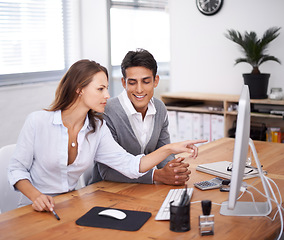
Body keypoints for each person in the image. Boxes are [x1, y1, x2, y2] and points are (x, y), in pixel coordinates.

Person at [7, 59, 206, 213]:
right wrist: (37, 196)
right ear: (79, 89)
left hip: (69, 207)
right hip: (33, 209)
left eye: (107, 88)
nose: (107, 95)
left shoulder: (97, 128)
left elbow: (129, 165)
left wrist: (168, 149)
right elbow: (17, 170)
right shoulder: (38, 122)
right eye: (100, 89)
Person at [97, 49, 192, 185]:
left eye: (146, 81)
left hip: (142, 189)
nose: (139, 89)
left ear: (155, 81)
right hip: (106, 191)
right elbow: (107, 171)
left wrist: (174, 169)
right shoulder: (107, 112)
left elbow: (163, 150)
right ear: (124, 83)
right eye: (132, 82)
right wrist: (157, 175)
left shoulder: (159, 108)